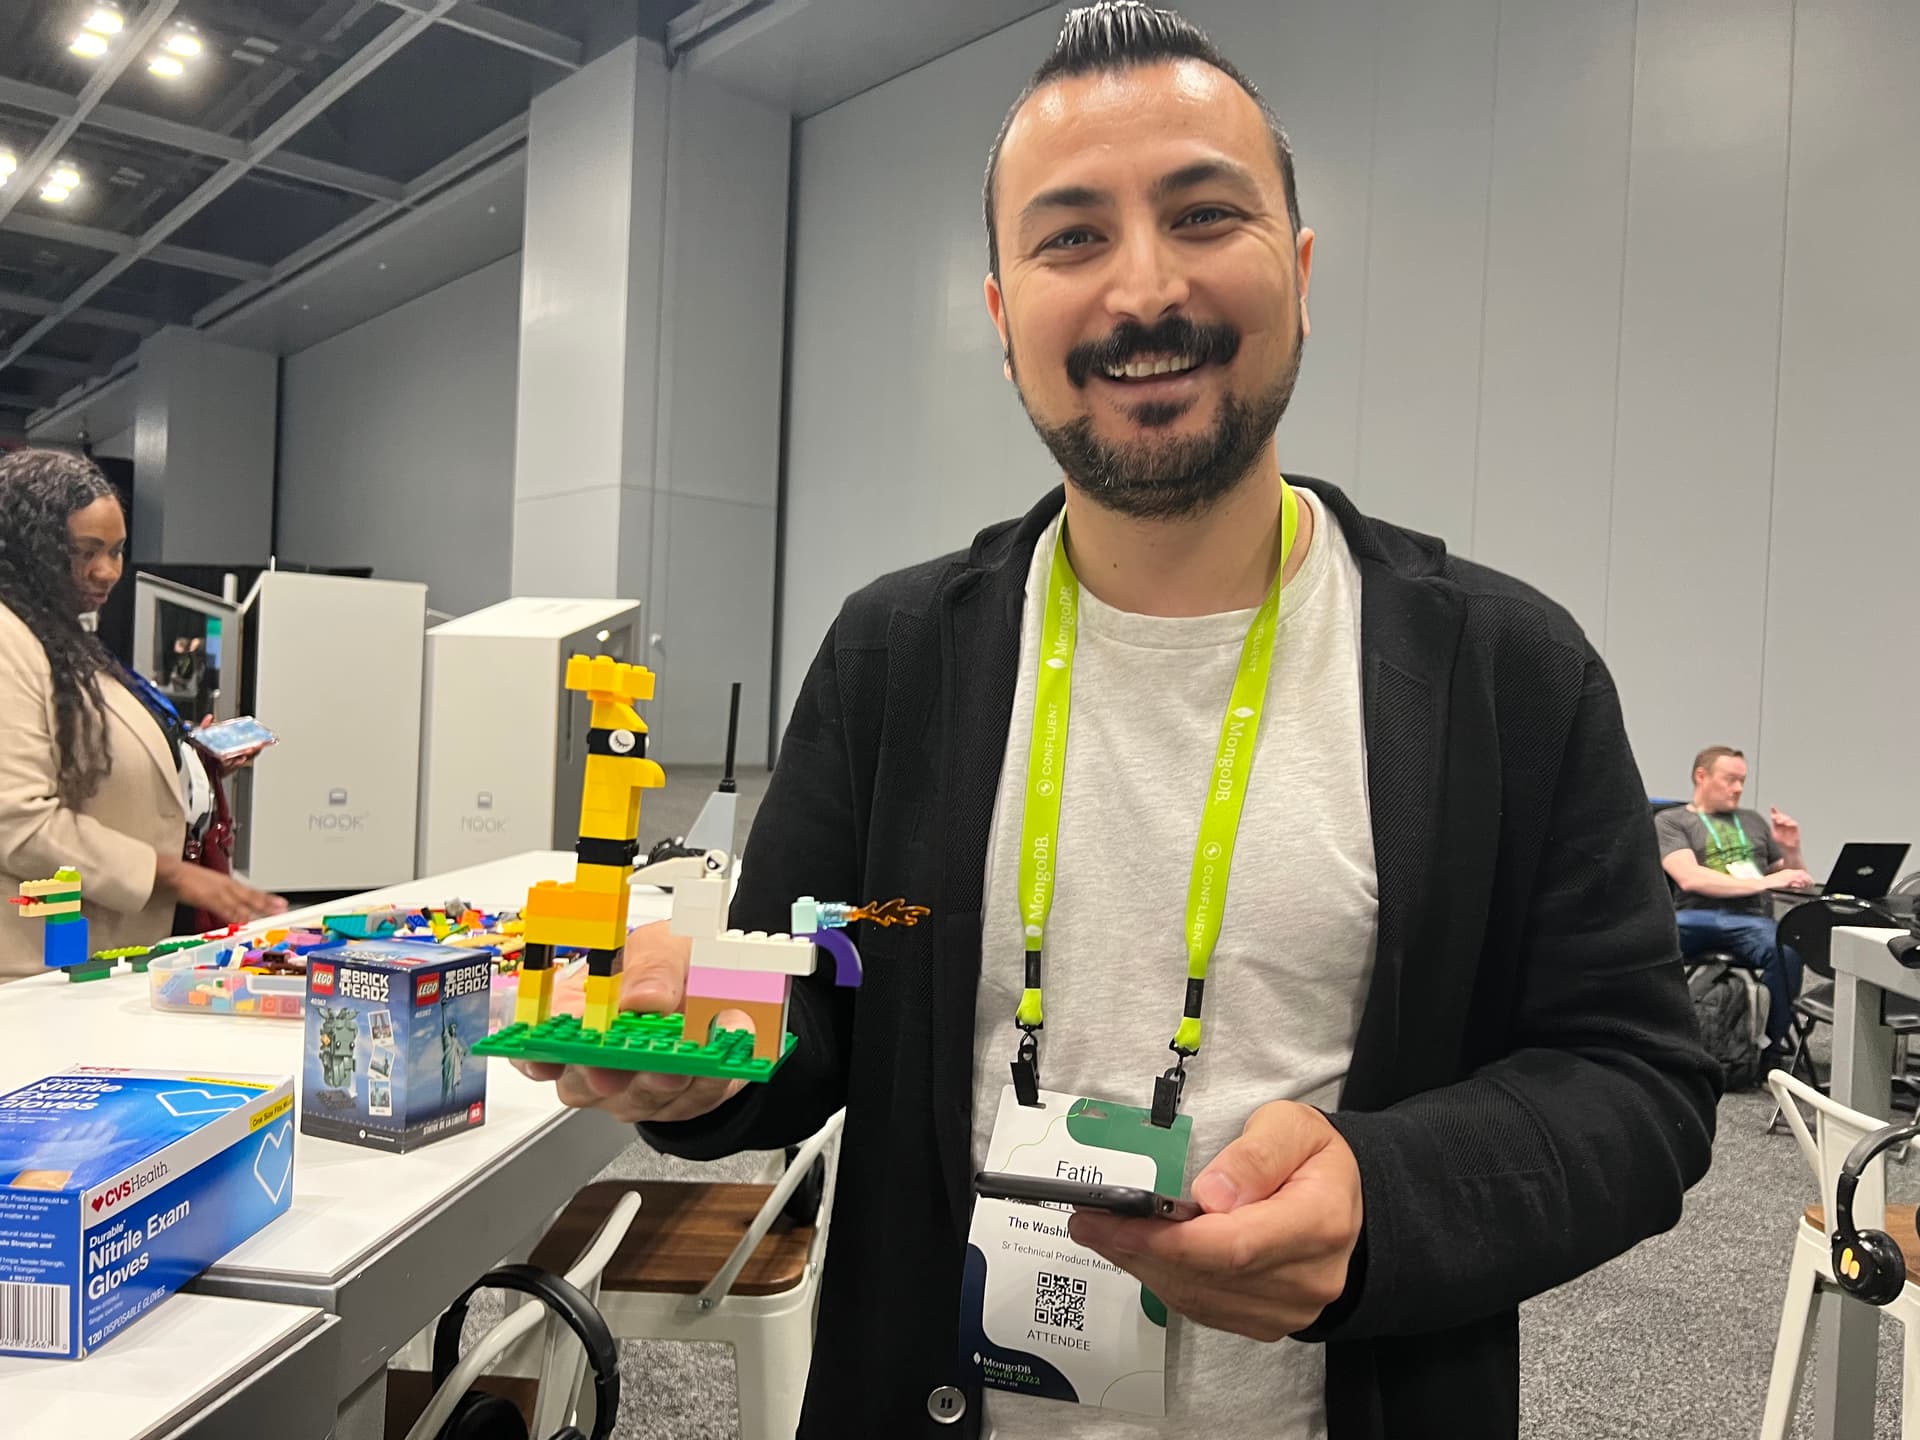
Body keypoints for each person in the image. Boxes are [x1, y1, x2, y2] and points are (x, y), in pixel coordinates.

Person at [514, 6, 1718, 1436]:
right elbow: (823, 984)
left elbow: (1636, 1079)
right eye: (1072, 237)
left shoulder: (1505, 675)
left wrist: (1385, 1200)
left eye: (1204, 214)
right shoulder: (897, 658)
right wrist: (687, 1045)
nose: (1144, 289)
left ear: (1301, 273)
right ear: (1002, 315)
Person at [0, 448, 285, 982]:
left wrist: (192, 767)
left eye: (116, 551)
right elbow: (17, 821)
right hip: (41, 963)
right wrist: (170, 874)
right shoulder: (8, 639)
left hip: (109, 946)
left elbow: (87, 759)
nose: (107, 571)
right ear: (29, 547)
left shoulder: (62, 634)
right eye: (86, 551)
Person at [1655, 745, 1813, 1063]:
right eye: (1730, 779)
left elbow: (1794, 880)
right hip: (1695, 915)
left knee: (1787, 951)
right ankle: (1652, 1039)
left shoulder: (1752, 821)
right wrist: (1764, 882)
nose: (1739, 788)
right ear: (1702, 776)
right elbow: (1690, 878)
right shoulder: (1672, 821)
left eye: (1742, 780)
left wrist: (1792, 849)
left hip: (1751, 920)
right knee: (1644, 943)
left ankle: (1765, 1050)